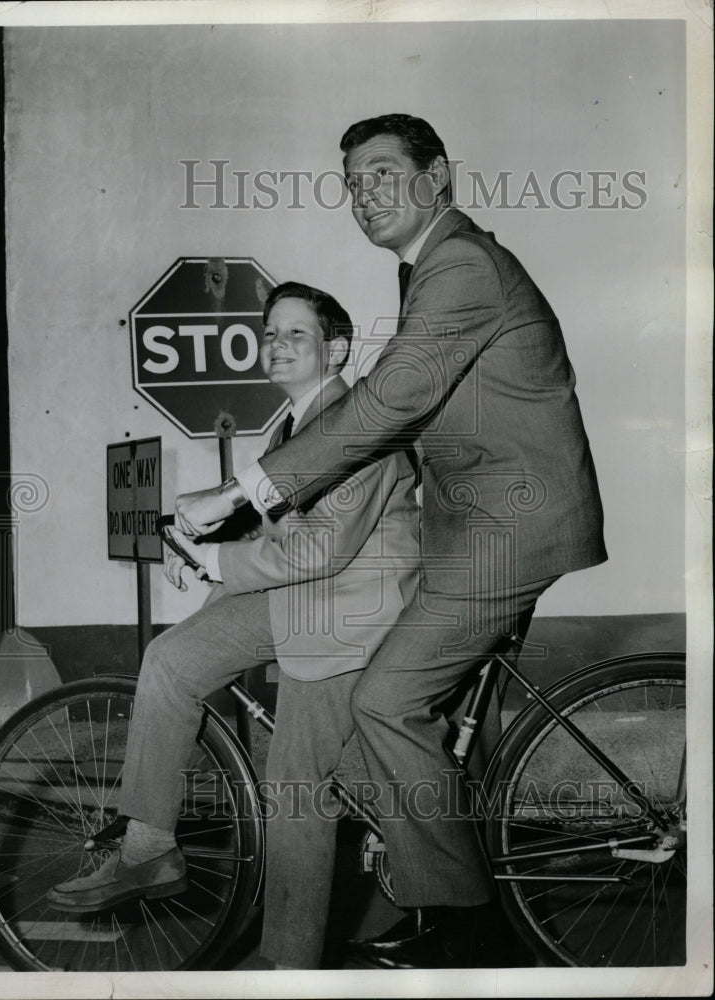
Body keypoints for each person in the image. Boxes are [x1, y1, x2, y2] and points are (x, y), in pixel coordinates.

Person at [174, 114, 608, 968]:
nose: (364, 194)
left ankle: (469, 924)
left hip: (506, 530)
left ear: (438, 176)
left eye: (382, 174)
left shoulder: (462, 265)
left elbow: (384, 405)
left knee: (382, 701)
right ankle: (425, 869)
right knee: (410, 715)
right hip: (475, 527)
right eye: (352, 182)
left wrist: (243, 488)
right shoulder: (432, 273)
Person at [47, 281, 420, 969]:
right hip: (303, 602)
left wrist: (217, 560)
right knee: (171, 659)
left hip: (350, 618)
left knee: (296, 792)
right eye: (270, 334)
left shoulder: (357, 424)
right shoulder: (289, 426)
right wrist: (193, 545)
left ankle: (291, 967)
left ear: (337, 349)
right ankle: (148, 846)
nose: (276, 345)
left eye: (295, 334)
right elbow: (273, 515)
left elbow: (320, 549)